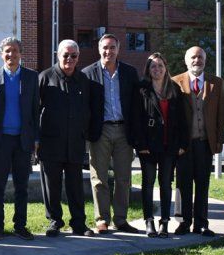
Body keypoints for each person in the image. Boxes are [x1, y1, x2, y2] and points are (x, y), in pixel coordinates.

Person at [82, 34, 139, 234]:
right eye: (105, 47)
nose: (108, 51)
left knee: (124, 178)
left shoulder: (130, 73)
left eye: (112, 47)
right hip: (101, 131)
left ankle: (121, 220)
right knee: (99, 178)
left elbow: (136, 104)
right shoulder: (88, 73)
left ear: (118, 49)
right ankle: (102, 219)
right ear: (99, 49)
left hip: (124, 130)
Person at [0, 37, 39, 241]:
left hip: (23, 140)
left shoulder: (31, 77)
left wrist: (36, 139)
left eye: (15, 51)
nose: (11, 55)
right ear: (1, 54)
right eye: (7, 51)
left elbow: (35, 110)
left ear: (21, 54)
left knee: (21, 186)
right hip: (1, 140)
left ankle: (20, 225)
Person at [37, 40, 94, 237]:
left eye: (74, 56)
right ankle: (54, 221)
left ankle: (79, 223)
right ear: (58, 55)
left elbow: (88, 109)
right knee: (51, 186)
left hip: (75, 143)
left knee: (76, 186)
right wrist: (36, 140)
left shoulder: (84, 80)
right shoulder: (45, 77)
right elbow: (35, 111)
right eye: (66, 55)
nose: (69, 59)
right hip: (50, 143)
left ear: (78, 57)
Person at [132, 53, 188, 238]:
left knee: (165, 184)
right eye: (153, 66)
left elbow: (181, 119)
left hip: (169, 145)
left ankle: (164, 222)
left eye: (160, 66)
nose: (157, 69)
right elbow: (136, 119)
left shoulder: (174, 89)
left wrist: (182, 143)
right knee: (148, 183)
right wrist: (140, 143)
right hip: (148, 145)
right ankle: (149, 221)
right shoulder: (141, 89)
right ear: (148, 69)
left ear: (166, 68)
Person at [171, 46, 224, 236]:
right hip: (184, 145)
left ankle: (201, 223)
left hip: (205, 143)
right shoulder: (175, 81)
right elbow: (172, 117)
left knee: (203, 184)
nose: (197, 60)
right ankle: (183, 222)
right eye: (193, 57)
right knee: (182, 184)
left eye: (200, 57)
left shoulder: (216, 83)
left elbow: (220, 113)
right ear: (186, 60)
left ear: (205, 60)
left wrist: (219, 141)